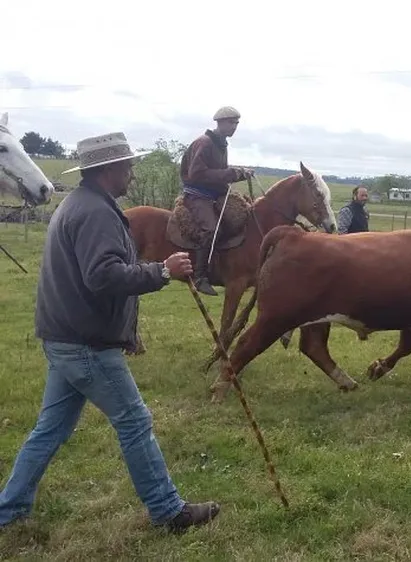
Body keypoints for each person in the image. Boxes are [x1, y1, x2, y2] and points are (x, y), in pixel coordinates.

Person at [0, 132, 221, 534]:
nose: (133, 173)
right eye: (128, 166)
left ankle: (8, 509)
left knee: (50, 429)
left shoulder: (80, 204)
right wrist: (163, 271)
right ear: (108, 170)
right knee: (134, 421)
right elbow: (102, 275)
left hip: (63, 336)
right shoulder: (96, 213)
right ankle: (169, 512)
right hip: (85, 343)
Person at [178, 106, 255, 296]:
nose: (234, 126)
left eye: (236, 123)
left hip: (214, 194)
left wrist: (239, 172)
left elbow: (218, 172)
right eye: (231, 122)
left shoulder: (221, 143)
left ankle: (224, 267)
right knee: (211, 229)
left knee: (241, 216)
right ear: (219, 123)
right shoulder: (204, 143)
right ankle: (200, 276)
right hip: (198, 195)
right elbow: (196, 174)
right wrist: (231, 173)